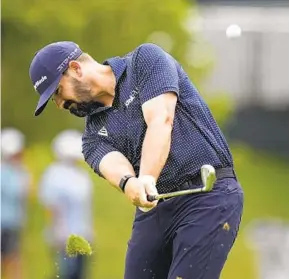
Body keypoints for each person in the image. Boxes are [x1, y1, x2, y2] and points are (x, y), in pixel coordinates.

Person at [29, 41, 244, 279]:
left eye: (58, 92)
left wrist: (147, 178)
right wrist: (130, 183)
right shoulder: (91, 137)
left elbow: (161, 120)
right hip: (156, 207)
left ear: (76, 69)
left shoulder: (145, 60)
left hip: (208, 196)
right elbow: (112, 163)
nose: (60, 104)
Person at [38, 129, 94, 279]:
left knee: (79, 274)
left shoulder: (81, 175)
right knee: (66, 274)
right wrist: (58, 233)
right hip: (63, 237)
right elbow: (51, 206)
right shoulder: (54, 174)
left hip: (82, 235)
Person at [1, 127, 30, 279]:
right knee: (11, 261)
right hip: (5, 223)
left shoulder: (19, 170)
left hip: (13, 223)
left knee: (13, 260)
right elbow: (18, 191)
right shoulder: (7, 171)